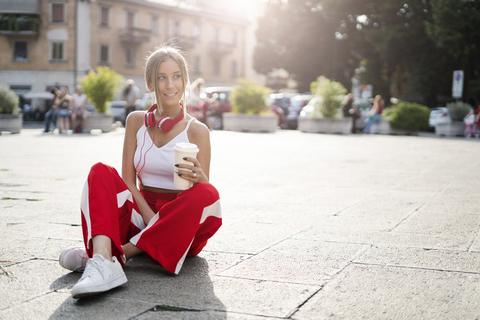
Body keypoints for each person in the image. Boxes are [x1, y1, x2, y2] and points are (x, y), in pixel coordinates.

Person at [58, 46, 222, 299]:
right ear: (149, 83)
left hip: (180, 225)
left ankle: (117, 255)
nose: (170, 84)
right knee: (100, 171)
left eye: (177, 76)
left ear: (185, 81)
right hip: (141, 209)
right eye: (161, 77)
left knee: (208, 192)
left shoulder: (197, 130)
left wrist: (200, 179)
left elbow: (201, 195)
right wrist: (149, 217)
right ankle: (102, 260)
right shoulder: (136, 121)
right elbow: (127, 180)